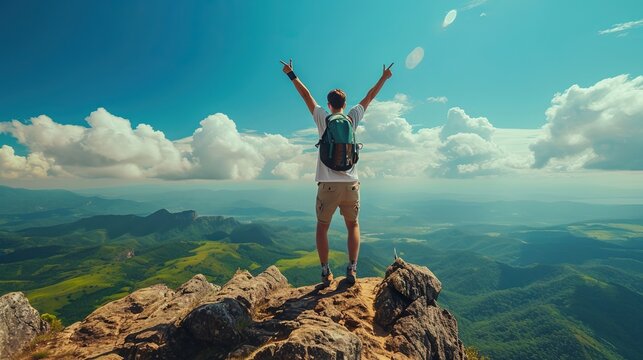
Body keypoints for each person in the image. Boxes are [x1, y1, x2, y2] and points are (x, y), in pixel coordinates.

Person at [281, 59, 393, 286]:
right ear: (345, 103)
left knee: (322, 227)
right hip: (352, 184)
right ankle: (352, 269)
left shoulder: (323, 117)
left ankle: (325, 272)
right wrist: (384, 77)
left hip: (327, 185)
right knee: (353, 226)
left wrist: (291, 74)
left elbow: (306, 95)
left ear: (329, 104)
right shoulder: (352, 118)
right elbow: (370, 96)